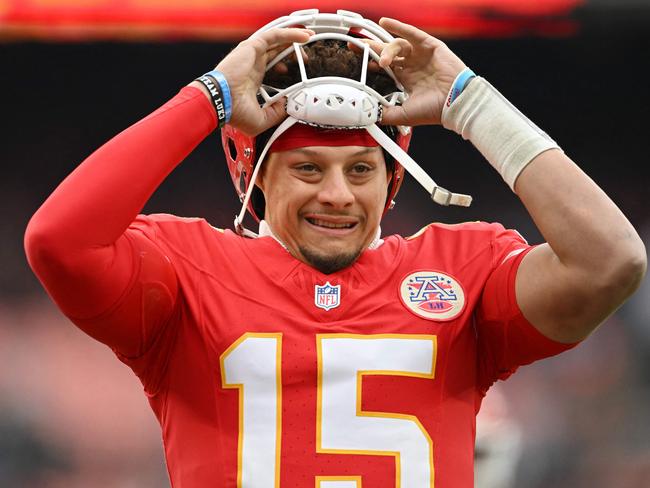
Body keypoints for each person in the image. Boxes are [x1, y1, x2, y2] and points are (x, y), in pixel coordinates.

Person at [24, 9, 645, 488]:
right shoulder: (187, 272)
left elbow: (611, 260)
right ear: (257, 175)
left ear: (393, 176)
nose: (339, 194)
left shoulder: (464, 271)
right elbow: (58, 240)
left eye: (360, 169)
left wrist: (474, 104)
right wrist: (208, 97)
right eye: (309, 168)